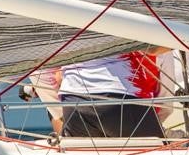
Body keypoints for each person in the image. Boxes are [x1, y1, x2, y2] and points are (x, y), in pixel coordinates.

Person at [38, 48, 169, 139]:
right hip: (124, 101)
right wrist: (158, 120)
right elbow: (166, 89)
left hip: (73, 103)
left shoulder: (67, 17)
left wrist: (60, 114)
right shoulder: (145, 19)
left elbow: (40, 69)